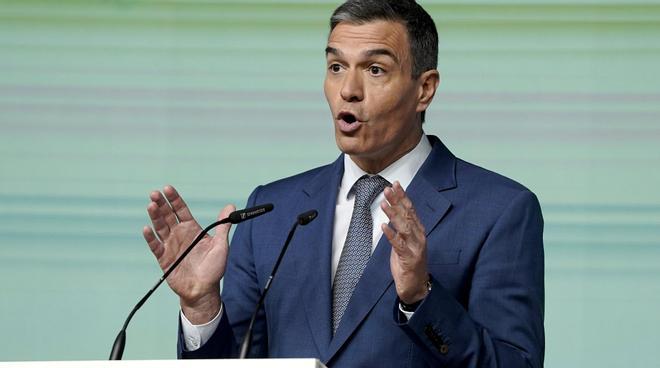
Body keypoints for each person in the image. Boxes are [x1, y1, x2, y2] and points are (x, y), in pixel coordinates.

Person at [142, 1, 545, 367]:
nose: (348, 91)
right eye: (336, 67)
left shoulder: (500, 210)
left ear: (424, 89)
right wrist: (201, 305)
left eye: (375, 70)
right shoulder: (272, 212)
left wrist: (421, 297)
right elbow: (241, 363)